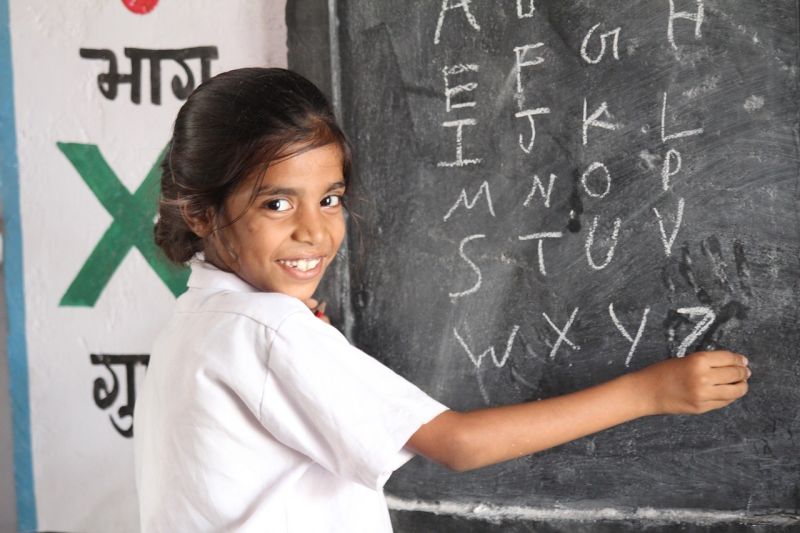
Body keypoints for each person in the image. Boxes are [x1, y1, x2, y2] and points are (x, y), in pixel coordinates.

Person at [133, 67, 751, 532]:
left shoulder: (197, 325)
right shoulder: (267, 329)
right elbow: (457, 443)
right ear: (200, 212)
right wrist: (651, 391)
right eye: (276, 203)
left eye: (329, 198)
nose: (314, 231)